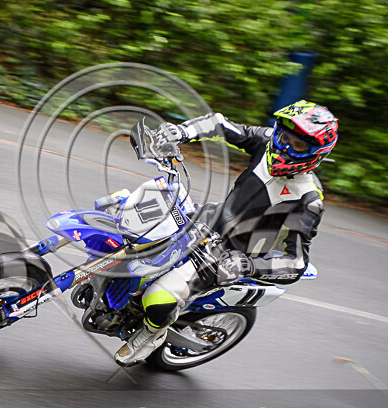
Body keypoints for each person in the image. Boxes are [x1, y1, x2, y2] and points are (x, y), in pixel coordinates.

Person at [115, 100, 338, 366]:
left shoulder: (308, 199)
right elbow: (220, 124)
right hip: (208, 218)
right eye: (283, 136)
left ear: (315, 153)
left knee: (158, 298)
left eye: (298, 145)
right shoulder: (267, 141)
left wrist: (246, 264)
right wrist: (181, 132)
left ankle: (151, 334)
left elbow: (296, 263)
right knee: (127, 219)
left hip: (229, 255)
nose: (284, 146)